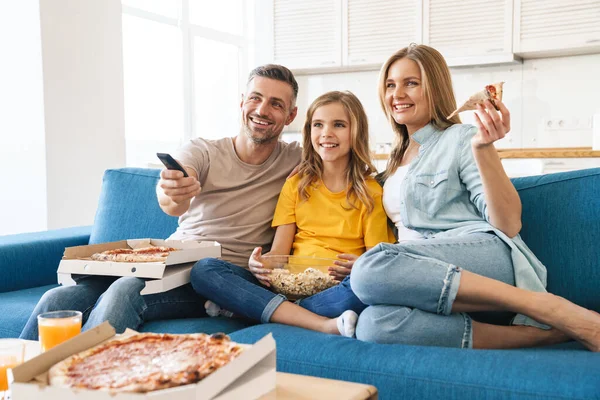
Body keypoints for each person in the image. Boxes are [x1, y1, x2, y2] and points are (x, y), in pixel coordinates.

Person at [20, 64, 303, 339]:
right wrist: (174, 189)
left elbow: (341, 151)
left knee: (124, 291)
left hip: (217, 280)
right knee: (57, 299)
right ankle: (15, 385)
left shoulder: (298, 160)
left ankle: (87, 381)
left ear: (291, 116)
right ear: (242, 103)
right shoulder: (203, 150)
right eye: (255, 98)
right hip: (168, 264)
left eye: (276, 104)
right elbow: (172, 198)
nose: (262, 110)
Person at [348, 44, 600, 351]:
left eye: (411, 83)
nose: (397, 94)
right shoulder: (394, 158)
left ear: (435, 88)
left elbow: (507, 224)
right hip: (428, 275)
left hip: (483, 257)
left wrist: (483, 148)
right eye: (390, 85)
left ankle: (544, 307)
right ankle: (544, 335)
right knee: (374, 325)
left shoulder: (461, 138)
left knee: (368, 270)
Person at [191, 91, 394, 336]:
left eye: (339, 125)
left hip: (338, 287)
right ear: (309, 132)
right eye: (318, 125)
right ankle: (314, 321)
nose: (327, 133)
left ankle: (260, 310)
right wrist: (260, 264)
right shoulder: (297, 184)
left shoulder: (369, 192)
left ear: (356, 132)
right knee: (205, 270)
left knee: (367, 288)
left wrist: (359, 266)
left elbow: (377, 262)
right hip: (288, 285)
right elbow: (279, 254)